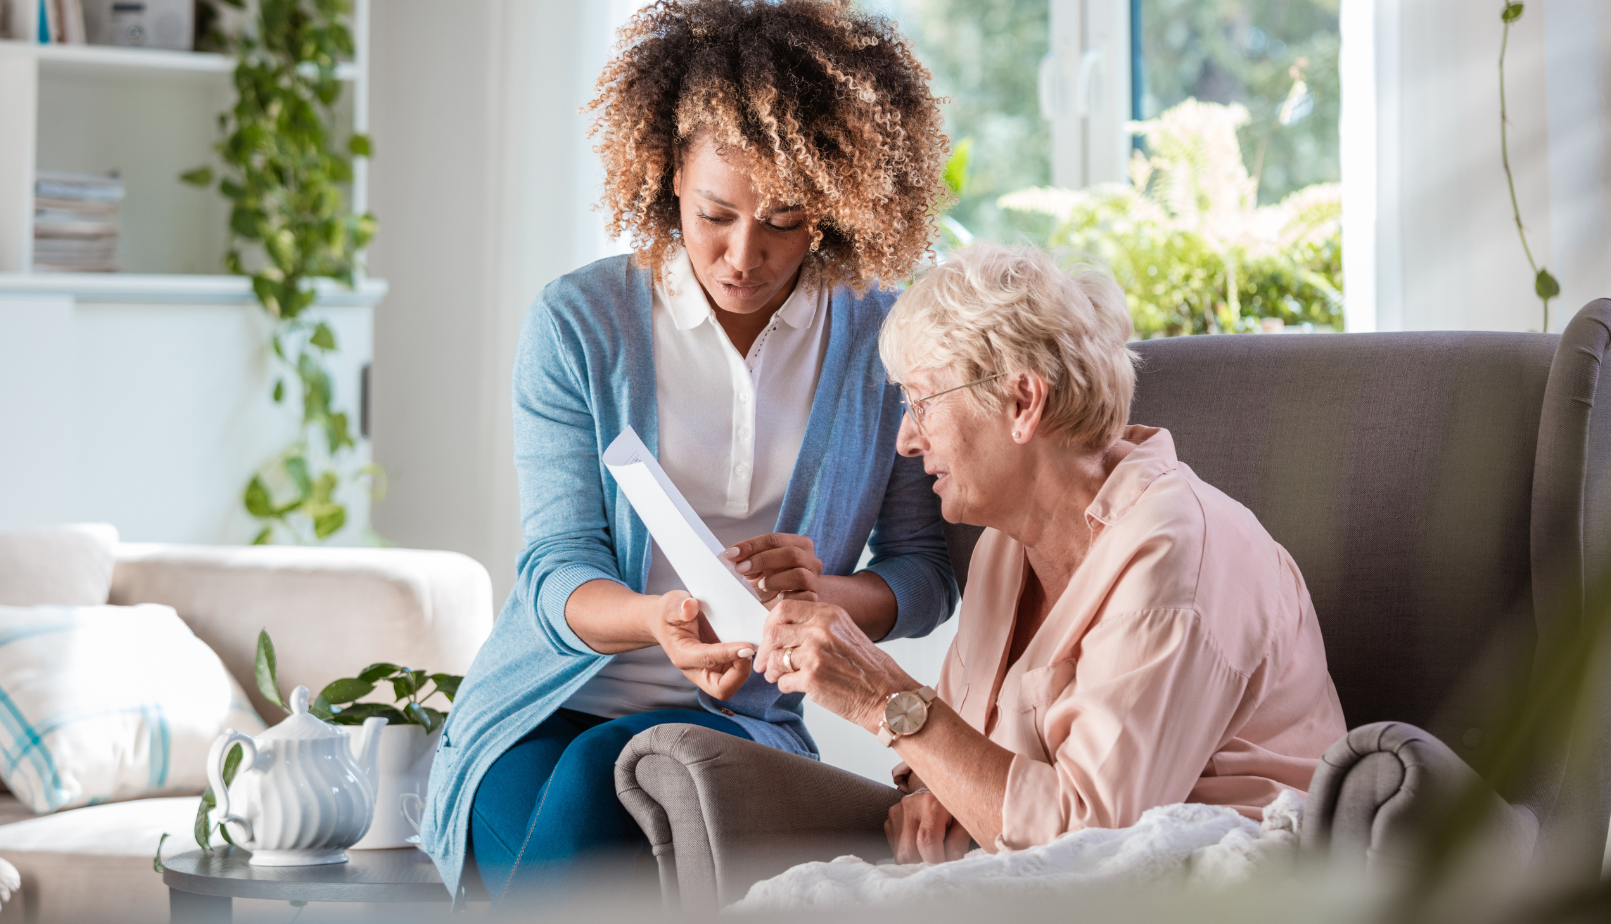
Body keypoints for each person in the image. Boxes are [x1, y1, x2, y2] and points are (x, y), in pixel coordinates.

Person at [421, 0, 958, 906]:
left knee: (609, 778)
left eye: (785, 222)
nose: (743, 254)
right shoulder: (579, 324)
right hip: (542, 710)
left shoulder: (883, 339)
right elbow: (556, 567)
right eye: (716, 213)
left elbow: (926, 573)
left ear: (832, 207)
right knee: (588, 788)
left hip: (738, 719)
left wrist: (824, 593)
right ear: (670, 171)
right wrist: (656, 620)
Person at [755, 243, 1348, 863]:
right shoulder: (1002, 550)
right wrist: (935, 791)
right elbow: (959, 745)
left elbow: (1093, 844)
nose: (905, 439)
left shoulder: (1175, 554)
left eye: (922, 402)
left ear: (1022, 402)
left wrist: (882, 696)